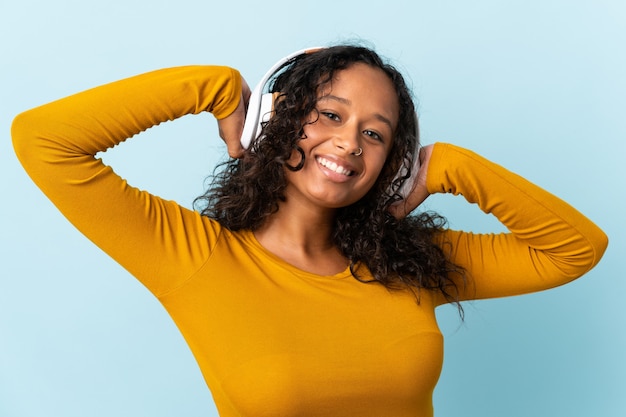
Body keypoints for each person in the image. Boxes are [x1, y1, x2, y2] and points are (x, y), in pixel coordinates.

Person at [12, 45, 608, 417]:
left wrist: (451, 167)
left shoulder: (412, 263)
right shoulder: (194, 256)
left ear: (391, 164)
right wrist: (212, 87)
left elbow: (577, 250)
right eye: (329, 114)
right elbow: (43, 141)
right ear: (279, 118)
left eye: (375, 134)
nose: (349, 142)